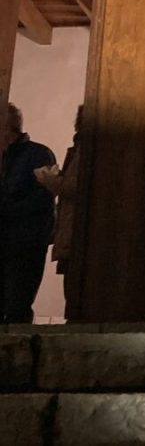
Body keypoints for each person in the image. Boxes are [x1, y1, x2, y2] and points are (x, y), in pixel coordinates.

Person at [0, 104, 57, 323]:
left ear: (7, 128)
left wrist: (7, 210)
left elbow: (43, 198)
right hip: (10, 237)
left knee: (18, 302)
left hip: (25, 241)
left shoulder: (38, 154)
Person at [34, 106, 83, 297]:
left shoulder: (87, 149)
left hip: (77, 233)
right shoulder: (79, 148)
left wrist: (53, 181)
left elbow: (78, 186)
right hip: (70, 233)